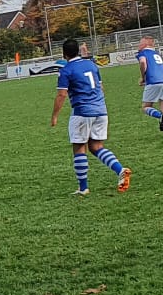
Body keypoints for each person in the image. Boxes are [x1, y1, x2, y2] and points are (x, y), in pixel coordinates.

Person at [51, 38, 131, 195]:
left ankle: (83, 188)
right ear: (79, 51)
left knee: (79, 147)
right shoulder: (91, 65)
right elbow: (101, 87)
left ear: (64, 53)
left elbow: (61, 95)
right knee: (96, 147)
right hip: (101, 110)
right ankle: (120, 170)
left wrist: (54, 116)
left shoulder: (66, 70)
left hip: (82, 112)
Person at [136, 35, 163, 137]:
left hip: (154, 80)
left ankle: (160, 116)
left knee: (146, 107)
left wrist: (143, 77)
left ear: (146, 44)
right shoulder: (156, 53)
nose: (138, 44)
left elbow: (142, 62)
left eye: (140, 42)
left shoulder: (143, 53)